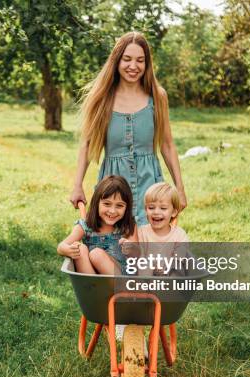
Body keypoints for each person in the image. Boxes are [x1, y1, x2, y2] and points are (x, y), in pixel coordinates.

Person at [70, 31, 187, 226]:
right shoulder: (101, 97)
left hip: (150, 186)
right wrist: (77, 186)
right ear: (116, 60)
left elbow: (167, 145)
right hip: (113, 191)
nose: (133, 66)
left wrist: (180, 189)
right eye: (127, 59)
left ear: (147, 64)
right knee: (112, 248)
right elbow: (87, 144)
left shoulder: (157, 97)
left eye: (140, 60)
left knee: (151, 247)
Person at [58, 175, 137, 275]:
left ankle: (118, 290)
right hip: (92, 279)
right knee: (79, 248)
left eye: (119, 205)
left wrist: (132, 249)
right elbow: (61, 246)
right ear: (97, 203)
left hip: (119, 278)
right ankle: (93, 288)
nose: (112, 211)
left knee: (97, 254)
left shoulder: (127, 226)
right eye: (107, 204)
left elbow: (138, 258)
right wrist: (68, 250)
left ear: (127, 207)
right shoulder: (85, 226)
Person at [136, 182, 189, 276]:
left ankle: (170, 290)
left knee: (177, 269)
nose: (156, 212)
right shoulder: (141, 233)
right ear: (145, 210)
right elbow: (138, 257)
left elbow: (179, 256)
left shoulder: (179, 235)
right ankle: (146, 290)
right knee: (144, 266)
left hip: (170, 274)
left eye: (163, 208)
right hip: (148, 277)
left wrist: (166, 266)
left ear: (173, 212)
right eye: (151, 207)